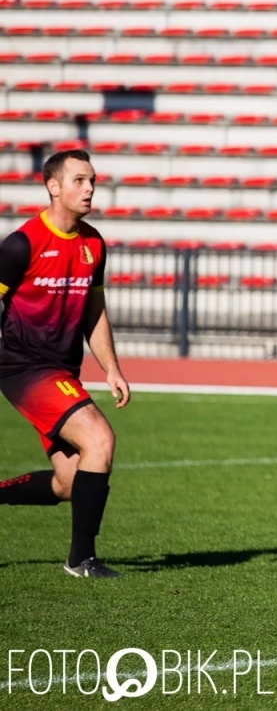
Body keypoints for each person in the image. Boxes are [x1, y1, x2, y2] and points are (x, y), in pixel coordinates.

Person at [0, 149, 130, 578]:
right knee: (100, 439)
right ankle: (81, 560)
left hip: (62, 372)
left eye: (92, 180)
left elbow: (94, 311)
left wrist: (111, 367)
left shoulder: (94, 243)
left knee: (70, 482)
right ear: (53, 186)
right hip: (24, 369)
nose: (90, 188)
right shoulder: (21, 244)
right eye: (79, 180)